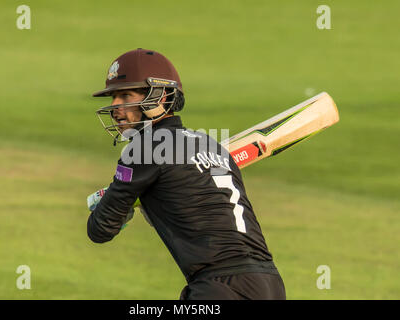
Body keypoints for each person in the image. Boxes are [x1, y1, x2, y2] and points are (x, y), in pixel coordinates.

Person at [87, 48, 286, 300]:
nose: (115, 106)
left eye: (125, 95)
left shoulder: (143, 148)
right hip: (269, 284)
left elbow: (99, 230)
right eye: (114, 97)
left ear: (157, 97)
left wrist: (113, 205)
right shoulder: (210, 145)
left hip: (218, 288)